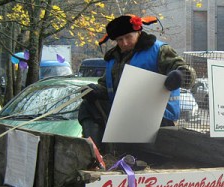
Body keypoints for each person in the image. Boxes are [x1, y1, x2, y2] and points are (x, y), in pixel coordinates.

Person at [78, 14, 196, 151]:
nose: (125, 43)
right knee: (88, 106)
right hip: (124, 117)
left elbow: (188, 73)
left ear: (138, 32)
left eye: (128, 37)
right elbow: (108, 87)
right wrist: (96, 91)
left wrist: (180, 75)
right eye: (120, 40)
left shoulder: (159, 50)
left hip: (158, 119)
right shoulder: (113, 59)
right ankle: (95, 155)